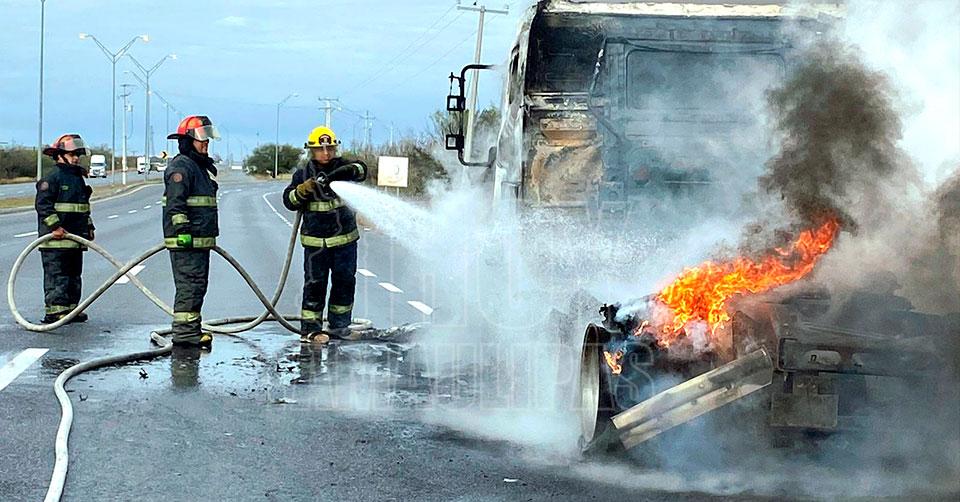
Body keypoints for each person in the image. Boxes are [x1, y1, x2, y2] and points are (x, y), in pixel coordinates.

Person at [282, 126, 367, 343]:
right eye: (321, 149)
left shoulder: (344, 168)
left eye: (330, 148)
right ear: (312, 150)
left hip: (345, 242)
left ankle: (340, 327)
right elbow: (289, 201)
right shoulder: (303, 174)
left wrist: (341, 173)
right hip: (315, 244)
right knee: (315, 285)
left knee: (344, 284)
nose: (326, 153)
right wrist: (301, 191)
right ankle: (311, 331)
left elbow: (362, 170)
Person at [162, 115, 221, 347]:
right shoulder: (181, 167)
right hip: (187, 241)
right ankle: (185, 333)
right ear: (187, 141)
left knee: (196, 287)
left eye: (207, 139)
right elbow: (175, 204)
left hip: (198, 241)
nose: (206, 143)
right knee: (189, 287)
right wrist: (182, 230)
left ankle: (191, 330)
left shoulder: (197, 167)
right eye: (201, 139)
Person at [36, 134, 95, 324]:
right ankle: (55, 311)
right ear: (59, 155)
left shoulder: (77, 178)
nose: (76, 158)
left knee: (73, 275)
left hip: (75, 238)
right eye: (72, 154)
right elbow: (43, 206)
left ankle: (71, 309)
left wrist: (89, 227)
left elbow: (83, 208)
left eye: (78, 154)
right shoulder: (52, 178)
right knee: (57, 276)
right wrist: (55, 226)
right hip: (55, 240)